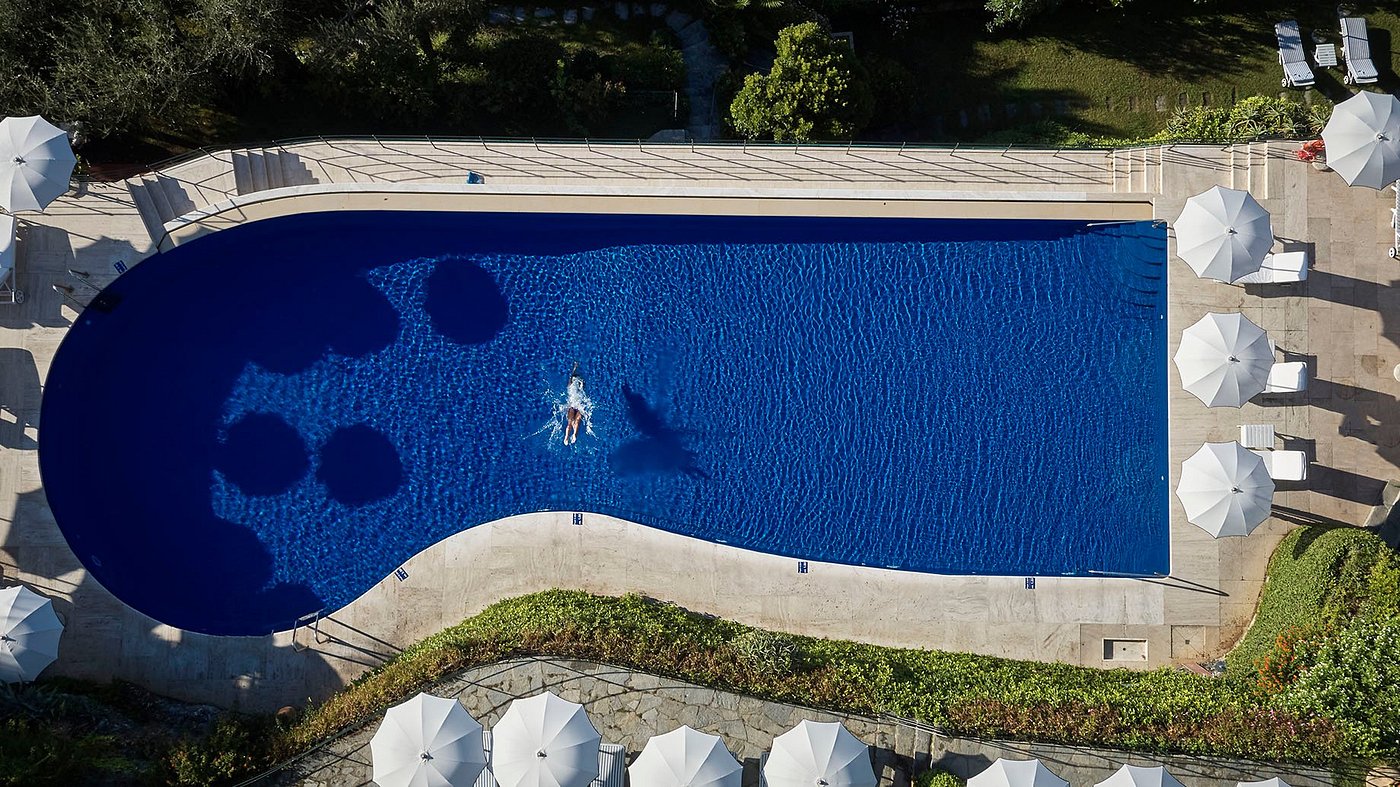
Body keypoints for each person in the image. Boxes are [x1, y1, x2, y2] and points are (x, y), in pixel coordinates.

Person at [563, 363, 585, 446]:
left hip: (574, 406)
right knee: (573, 422)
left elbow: (571, 377)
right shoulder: (576, 385)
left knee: (575, 421)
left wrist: (574, 368)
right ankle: (567, 436)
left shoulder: (571, 386)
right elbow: (571, 377)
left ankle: (572, 435)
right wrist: (574, 368)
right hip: (576, 406)